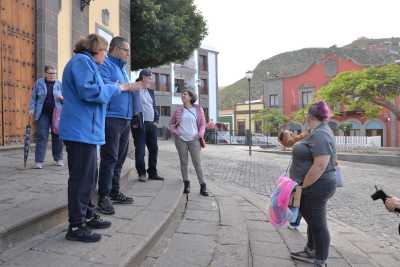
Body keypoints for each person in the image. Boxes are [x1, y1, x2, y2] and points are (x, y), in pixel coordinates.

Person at [60, 34, 141, 243]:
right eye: (105, 51)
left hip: (87, 131)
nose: (106, 56)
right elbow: (91, 92)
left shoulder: (88, 63)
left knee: (89, 177)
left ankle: (87, 214)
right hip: (80, 131)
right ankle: (76, 225)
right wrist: (118, 87)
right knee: (80, 179)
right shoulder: (81, 62)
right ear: (96, 49)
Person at [289, 101, 336, 267]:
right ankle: (310, 250)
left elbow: (320, 165)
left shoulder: (321, 134)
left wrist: (304, 186)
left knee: (317, 223)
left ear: (310, 115)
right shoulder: (316, 131)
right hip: (312, 184)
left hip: (317, 185)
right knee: (311, 219)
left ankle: (320, 259)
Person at [97, 36, 138, 215]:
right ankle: (103, 196)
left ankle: (114, 190)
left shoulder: (122, 69)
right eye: (126, 50)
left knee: (120, 158)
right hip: (111, 118)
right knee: (109, 158)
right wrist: (129, 86)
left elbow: (126, 88)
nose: (128, 54)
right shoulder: (105, 65)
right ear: (115, 49)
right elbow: (106, 87)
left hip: (125, 119)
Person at [170, 89, 209, 196]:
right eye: (182, 94)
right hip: (181, 140)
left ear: (191, 97)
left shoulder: (198, 109)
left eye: (185, 94)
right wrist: (177, 132)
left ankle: (203, 185)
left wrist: (200, 134)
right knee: (184, 162)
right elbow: (172, 124)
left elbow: (202, 124)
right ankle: (186, 184)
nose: (182, 95)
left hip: (194, 140)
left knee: (197, 163)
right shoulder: (178, 110)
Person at [131, 69, 164, 182]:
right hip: (140, 124)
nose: (151, 80)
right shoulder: (134, 88)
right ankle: (141, 173)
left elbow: (153, 106)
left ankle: (152, 172)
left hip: (151, 124)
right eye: (150, 77)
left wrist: (156, 119)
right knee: (140, 150)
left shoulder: (150, 91)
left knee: (154, 149)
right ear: (143, 77)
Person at [29, 65, 64, 169]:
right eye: (50, 73)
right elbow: (33, 97)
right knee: (42, 136)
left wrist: (61, 97)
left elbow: (66, 98)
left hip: (56, 113)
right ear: (46, 73)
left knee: (57, 136)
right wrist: (31, 109)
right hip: (42, 113)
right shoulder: (39, 83)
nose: (53, 75)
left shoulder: (59, 84)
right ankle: (39, 161)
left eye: (54, 73)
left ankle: (59, 158)